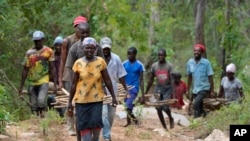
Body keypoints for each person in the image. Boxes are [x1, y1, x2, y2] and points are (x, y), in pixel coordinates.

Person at [68, 37, 117, 141]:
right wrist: (69, 102)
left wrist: (113, 97)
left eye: (92, 48)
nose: (89, 50)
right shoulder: (78, 63)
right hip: (81, 101)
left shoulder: (100, 62)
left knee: (96, 127)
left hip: (96, 100)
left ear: (95, 49)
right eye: (87, 47)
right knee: (85, 129)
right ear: (83, 48)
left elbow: (107, 80)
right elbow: (73, 84)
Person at [65, 22, 103, 140]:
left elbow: (102, 66)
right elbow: (70, 68)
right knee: (80, 118)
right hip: (80, 87)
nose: (85, 34)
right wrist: (74, 86)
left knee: (95, 119)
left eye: (87, 32)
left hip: (95, 88)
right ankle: (79, 138)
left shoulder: (97, 46)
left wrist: (103, 86)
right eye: (82, 32)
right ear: (78, 33)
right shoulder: (74, 48)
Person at [58, 15, 87, 136]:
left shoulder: (89, 41)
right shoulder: (67, 41)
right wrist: (60, 79)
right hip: (70, 74)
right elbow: (62, 61)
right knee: (70, 100)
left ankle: (81, 125)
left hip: (85, 74)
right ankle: (70, 126)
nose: (79, 29)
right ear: (75, 27)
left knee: (83, 100)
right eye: (77, 27)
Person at [18, 30, 57, 118]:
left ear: (43, 40)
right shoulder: (29, 53)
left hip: (44, 80)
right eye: (36, 41)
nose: (37, 42)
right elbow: (25, 69)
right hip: (32, 82)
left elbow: (53, 68)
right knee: (33, 105)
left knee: (41, 101)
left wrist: (55, 83)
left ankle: (43, 117)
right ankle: (36, 121)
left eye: (39, 40)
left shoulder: (48, 51)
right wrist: (21, 86)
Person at [100, 37, 128, 141]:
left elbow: (121, 75)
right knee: (104, 114)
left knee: (111, 116)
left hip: (113, 93)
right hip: (100, 93)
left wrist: (126, 89)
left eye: (107, 49)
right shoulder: (97, 59)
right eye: (104, 49)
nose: (105, 51)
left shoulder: (116, 59)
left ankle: (107, 132)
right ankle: (106, 137)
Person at [144, 48, 174, 130]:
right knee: (158, 108)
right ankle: (164, 127)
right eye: (159, 55)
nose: (160, 57)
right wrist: (146, 92)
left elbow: (172, 80)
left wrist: (173, 93)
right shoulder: (154, 66)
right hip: (158, 89)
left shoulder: (169, 66)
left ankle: (171, 118)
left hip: (167, 89)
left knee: (165, 107)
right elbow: (151, 79)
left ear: (165, 56)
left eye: (162, 55)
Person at [186, 44, 215, 118]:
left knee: (195, 104)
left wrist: (212, 91)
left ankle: (196, 119)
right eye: (195, 50)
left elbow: (210, 76)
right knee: (199, 106)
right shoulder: (190, 62)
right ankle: (204, 116)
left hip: (204, 88)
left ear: (201, 52)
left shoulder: (206, 62)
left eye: (198, 51)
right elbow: (189, 77)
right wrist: (187, 89)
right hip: (195, 89)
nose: (196, 52)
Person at [123, 47, 145, 127]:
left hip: (134, 88)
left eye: (131, 54)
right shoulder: (124, 64)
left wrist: (143, 94)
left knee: (128, 105)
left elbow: (142, 80)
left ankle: (135, 120)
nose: (129, 56)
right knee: (127, 106)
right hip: (126, 88)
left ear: (135, 54)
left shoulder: (140, 65)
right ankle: (129, 122)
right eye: (128, 54)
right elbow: (121, 77)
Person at [47, 36, 64, 117]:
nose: (58, 47)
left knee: (63, 98)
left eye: (60, 45)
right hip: (53, 81)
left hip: (63, 81)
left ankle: (62, 114)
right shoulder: (51, 55)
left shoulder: (66, 55)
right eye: (56, 45)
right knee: (51, 97)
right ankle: (53, 113)